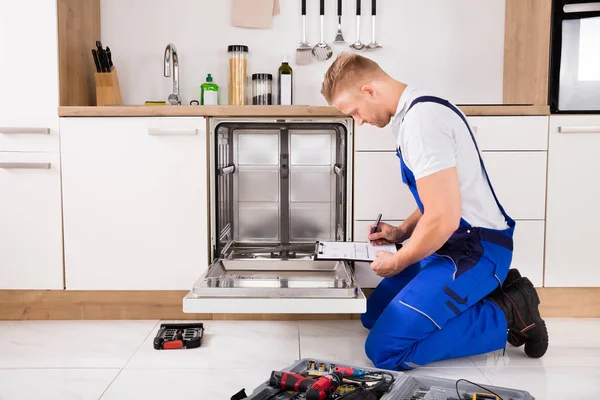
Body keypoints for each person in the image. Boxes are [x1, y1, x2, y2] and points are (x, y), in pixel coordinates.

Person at [320, 53, 549, 370]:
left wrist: (399, 259)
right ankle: (471, 297)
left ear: (369, 91)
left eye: (355, 112)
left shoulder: (422, 124)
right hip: (450, 244)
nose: (358, 121)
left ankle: (509, 310)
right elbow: (439, 196)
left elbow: (443, 217)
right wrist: (402, 232)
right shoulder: (414, 113)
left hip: (477, 252)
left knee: (385, 351)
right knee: (372, 315)